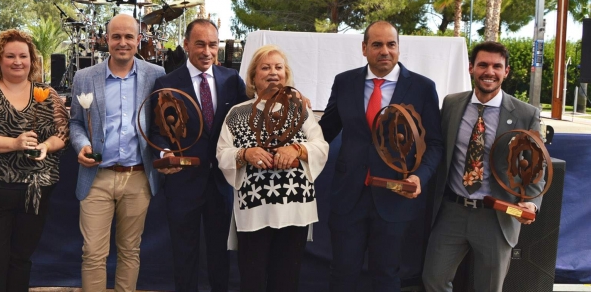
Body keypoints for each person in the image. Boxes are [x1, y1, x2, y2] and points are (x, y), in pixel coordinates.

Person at [318, 20, 443, 291]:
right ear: (364, 49)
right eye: (377, 45)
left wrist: (420, 177)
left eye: (391, 44)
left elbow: (435, 143)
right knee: (342, 274)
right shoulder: (344, 82)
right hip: (348, 196)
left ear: (398, 48)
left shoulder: (422, 88)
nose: (384, 51)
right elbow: (324, 131)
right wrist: (298, 125)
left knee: (386, 277)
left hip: (395, 199)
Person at [422, 41, 542, 292]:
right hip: (451, 212)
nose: (490, 71)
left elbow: (536, 166)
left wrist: (532, 202)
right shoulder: (452, 104)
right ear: (471, 68)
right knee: (433, 280)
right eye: (483, 65)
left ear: (506, 71)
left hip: (496, 217)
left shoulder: (524, 114)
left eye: (497, 66)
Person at [69, 14, 173, 292]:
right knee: (93, 253)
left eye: (129, 37)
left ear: (139, 40)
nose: (122, 42)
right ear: (106, 40)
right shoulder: (84, 77)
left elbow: (162, 124)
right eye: (116, 36)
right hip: (96, 177)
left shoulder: (156, 75)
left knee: (130, 251)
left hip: (138, 177)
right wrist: (81, 145)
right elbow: (76, 123)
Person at [0, 29, 69, 291]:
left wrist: (45, 145)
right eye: (10, 56)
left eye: (23, 56)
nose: (17, 61)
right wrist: (15, 143)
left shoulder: (47, 93)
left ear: (32, 60)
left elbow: (62, 134)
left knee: (21, 259)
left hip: (36, 190)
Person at [215, 45, 330, 291]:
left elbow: (320, 146)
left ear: (286, 75)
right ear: (253, 77)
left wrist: (297, 149)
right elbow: (222, 154)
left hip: (294, 209)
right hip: (254, 210)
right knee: (252, 280)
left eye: (279, 67)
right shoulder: (237, 114)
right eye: (265, 68)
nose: (273, 73)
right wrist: (245, 154)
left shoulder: (301, 110)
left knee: (286, 281)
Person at [149, 18, 249, 292]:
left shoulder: (232, 80)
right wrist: (164, 152)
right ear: (186, 45)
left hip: (222, 183)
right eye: (200, 44)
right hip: (183, 182)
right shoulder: (167, 82)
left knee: (220, 254)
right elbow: (157, 131)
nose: (207, 51)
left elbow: (248, 117)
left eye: (213, 45)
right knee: (184, 254)